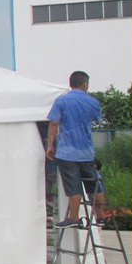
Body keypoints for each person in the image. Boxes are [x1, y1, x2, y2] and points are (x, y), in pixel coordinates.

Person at [46, 71, 103, 227]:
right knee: (93, 184)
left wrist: (51, 145)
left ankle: (74, 217)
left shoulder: (62, 101)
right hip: (86, 152)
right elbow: (97, 120)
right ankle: (101, 216)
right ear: (85, 84)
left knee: (73, 185)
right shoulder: (93, 102)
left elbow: (53, 123)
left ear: (71, 83)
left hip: (67, 152)